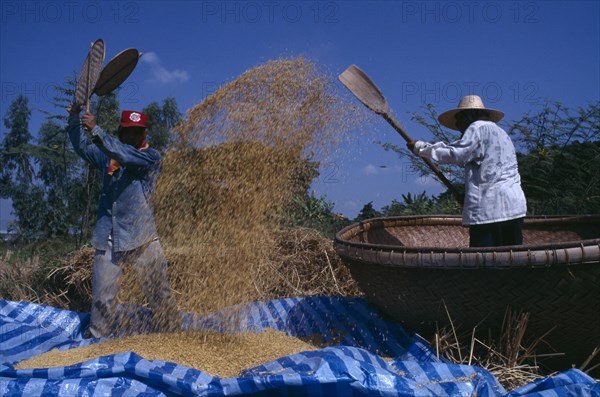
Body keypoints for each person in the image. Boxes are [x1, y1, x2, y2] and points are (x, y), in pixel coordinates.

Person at [67, 104, 180, 337]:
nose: (132, 136)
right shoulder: (107, 156)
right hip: (108, 235)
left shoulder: (149, 157)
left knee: (159, 293)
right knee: (102, 298)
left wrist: (96, 130)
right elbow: (82, 147)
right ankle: (98, 337)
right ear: (120, 132)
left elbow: (124, 155)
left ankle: (172, 333)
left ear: (144, 134)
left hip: (142, 237)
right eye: (127, 132)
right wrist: (74, 118)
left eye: (137, 132)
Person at [407, 95, 527, 247]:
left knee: (483, 262)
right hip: (514, 208)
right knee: (513, 259)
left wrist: (420, 148)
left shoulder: (477, 127)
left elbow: (455, 154)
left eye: (459, 119)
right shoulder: (503, 134)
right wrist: (468, 197)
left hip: (489, 212)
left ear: (468, 115)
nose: (458, 125)